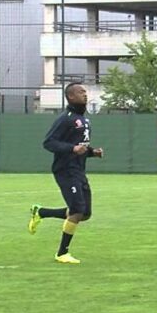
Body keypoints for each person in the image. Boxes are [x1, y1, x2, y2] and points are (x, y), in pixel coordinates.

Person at [27, 84, 103, 264]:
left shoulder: (84, 120)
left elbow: (80, 146)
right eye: (80, 92)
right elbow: (49, 142)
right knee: (77, 211)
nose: (85, 94)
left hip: (79, 169)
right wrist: (72, 148)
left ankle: (41, 212)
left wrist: (92, 152)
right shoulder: (65, 119)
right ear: (70, 97)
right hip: (65, 170)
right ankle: (62, 253)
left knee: (85, 213)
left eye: (85, 92)